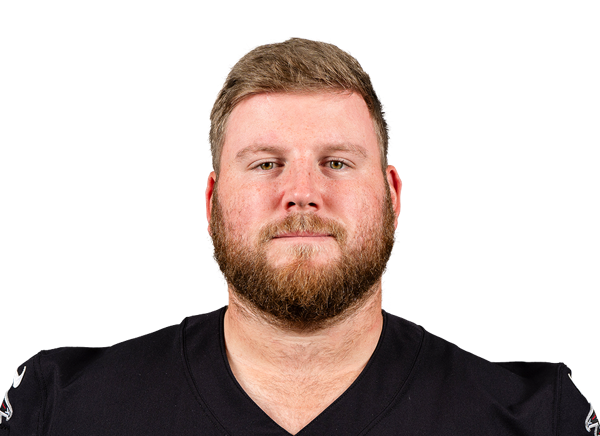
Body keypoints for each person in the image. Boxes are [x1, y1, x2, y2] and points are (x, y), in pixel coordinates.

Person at [1, 37, 595, 435]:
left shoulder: (536, 418)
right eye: (266, 164)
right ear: (211, 202)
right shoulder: (61, 408)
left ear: (393, 196)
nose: (302, 193)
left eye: (337, 162)